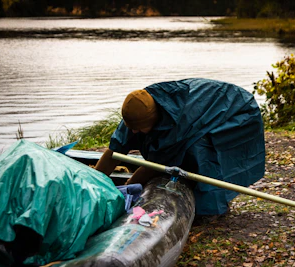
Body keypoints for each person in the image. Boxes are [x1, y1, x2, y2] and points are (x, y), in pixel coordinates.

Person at [95, 78, 265, 216]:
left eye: (139, 128)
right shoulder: (137, 109)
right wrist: (94, 184)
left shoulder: (177, 126)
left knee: (200, 150)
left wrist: (127, 189)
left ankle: (210, 210)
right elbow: (113, 153)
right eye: (130, 126)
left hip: (236, 110)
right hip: (209, 106)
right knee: (185, 152)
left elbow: (156, 165)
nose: (133, 131)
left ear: (154, 120)